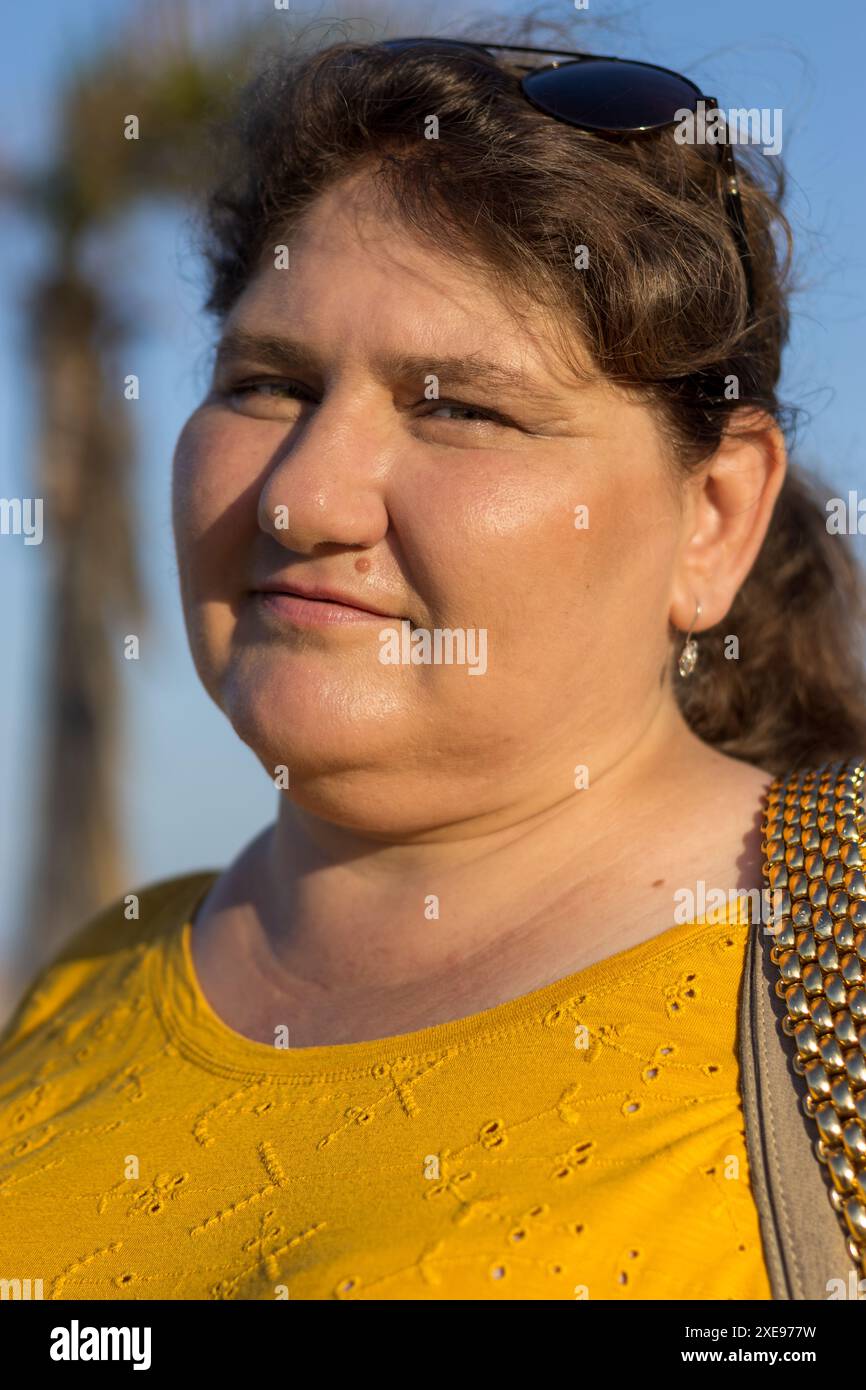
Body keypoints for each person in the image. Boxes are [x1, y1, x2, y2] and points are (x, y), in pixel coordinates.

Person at [2, 33, 866, 1302]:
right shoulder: (93, 978)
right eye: (267, 384)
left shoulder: (829, 973)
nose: (304, 500)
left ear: (714, 517)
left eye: (459, 407)